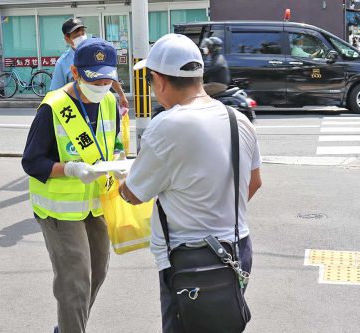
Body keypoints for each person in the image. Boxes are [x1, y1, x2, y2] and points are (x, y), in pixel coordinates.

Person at [118, 33, 262, 333]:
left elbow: (133, 195)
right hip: (238, 250)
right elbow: (255, 182)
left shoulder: (167, 126)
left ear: (159, 80)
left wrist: (122, 180)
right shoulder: (239, 120)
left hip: (189, 258)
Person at [22, 37, 121, 333]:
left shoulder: (110, 102)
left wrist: (118, 158)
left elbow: (113, 141)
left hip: (95, 203)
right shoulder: (53, 108)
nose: (102, 85)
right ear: (75, 73)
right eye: (95, 78)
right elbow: (31, 162)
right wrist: (71, 169)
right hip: (59, 211)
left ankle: (67, 326)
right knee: (75, 282)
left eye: (108, 78)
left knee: (98, 272)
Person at [49, 18, 129, 110]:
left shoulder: (95, 52)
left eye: (83, 33)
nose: (81, 37)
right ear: (67, 38)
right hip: (76, 108)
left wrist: (121, 95)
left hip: (99, 105)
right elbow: (55, 92)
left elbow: (109, 76)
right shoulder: (63, 63)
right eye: (76, 35)